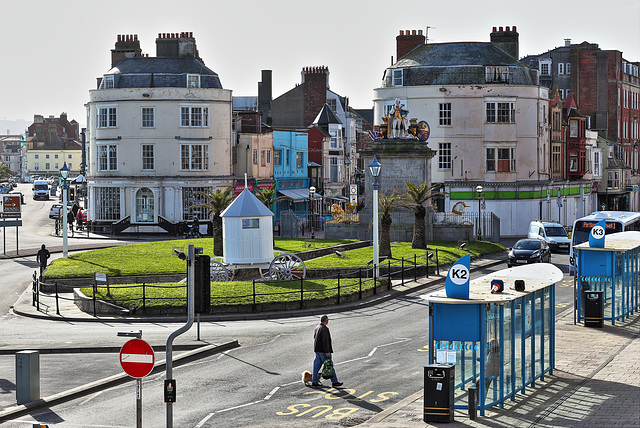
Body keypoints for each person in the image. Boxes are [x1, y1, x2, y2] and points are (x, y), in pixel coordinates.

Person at [311, 315, 343, 388]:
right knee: (329, 366)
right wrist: (327, 351)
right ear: (326, 321)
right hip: (323, 351)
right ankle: (334, 382)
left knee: (316, 367)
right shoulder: (324, 329)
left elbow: (314, 338)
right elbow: (325, 341)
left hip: (317, 350)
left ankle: (314, 381)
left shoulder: (317, 327)